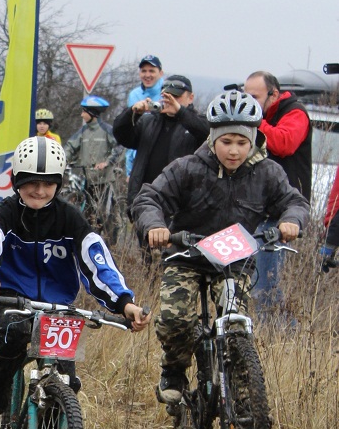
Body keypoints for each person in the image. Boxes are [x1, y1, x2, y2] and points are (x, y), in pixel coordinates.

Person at [0, 136, 149, 429]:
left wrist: (124, 303)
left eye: (48, 183)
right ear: (16, 182)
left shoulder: (70, 219)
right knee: (13, 334)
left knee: (66, 375)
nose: (39, 190)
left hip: (58, 306)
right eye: (30, 183)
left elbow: (98, 262)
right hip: (12, 295)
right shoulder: (7, 213)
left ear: (59, 183)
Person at [130, 91, 308, 404]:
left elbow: (294, 201)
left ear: (254, 139)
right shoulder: (187, 168)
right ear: (213, 138)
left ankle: (243, 395)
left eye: (242, 142)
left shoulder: (267, 173)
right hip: (187, 256)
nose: (235, 150)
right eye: (227, 142)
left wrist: (290, 221)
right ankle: (173, 369)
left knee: (237, 322)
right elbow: (148, 198)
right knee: (175, 319)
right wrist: (156, 226)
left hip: (234, 262)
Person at [243, 71, 312, 322]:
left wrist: (254, 121)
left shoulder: (295, 113)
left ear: (273, 94)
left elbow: (285, 143)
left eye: (254, 97)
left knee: (265, 286)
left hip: (283, 214)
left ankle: (281, 340)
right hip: (257, 210)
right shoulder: (263, 116)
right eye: (245, 96)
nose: (248, 103)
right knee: (251, 284)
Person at [112, 75, 209, 215]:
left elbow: (207, 133)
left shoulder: (196, 122)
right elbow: (121, 135)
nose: (171, 101)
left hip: (180, 206)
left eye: (176, 97)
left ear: (191, 97)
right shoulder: (148, 122)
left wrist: (180, 112)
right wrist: (131, 113)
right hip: (146, 202)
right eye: (167, 96)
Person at [64, 95, 121, 201]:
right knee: (86, 212)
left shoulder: (107, 130)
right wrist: (62, 160)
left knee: (102, 213)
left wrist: (107, 162)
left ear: (92, 113)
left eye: (84, 112)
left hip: (103, 180)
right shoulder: (82, 131)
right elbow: (70, 147)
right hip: (86, 179)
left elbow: (119, 147)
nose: (81, 115)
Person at [125, 55, 165, 176]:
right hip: (139, 159)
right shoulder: (134, 95)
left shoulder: (167, 94)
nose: (147, 75)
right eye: (144, 71)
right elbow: (130, 129)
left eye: (152, 71)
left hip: (161, 159)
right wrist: (129, 168)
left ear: (161, 73)